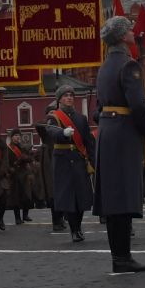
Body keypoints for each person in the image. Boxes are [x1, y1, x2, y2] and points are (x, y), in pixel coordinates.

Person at [94, 16, 145, 274]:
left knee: (113, 197)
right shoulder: (128, 65)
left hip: (108, 131)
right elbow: (138, 105)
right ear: (121, 37)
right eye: (129, 29)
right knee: (123, 195)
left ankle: (119, 256)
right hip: (123, 133)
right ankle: (123, 258)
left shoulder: (105, 66)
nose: (133, 31)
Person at [43, 88, 95, 243]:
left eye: (71, 95)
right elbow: (50, 131)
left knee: (81, 196)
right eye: (66, 96)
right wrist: (62, 133)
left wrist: (93, 160)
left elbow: (88, 142)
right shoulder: (54, 117)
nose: (69, 98)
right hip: (63, 161)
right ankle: (74, 230)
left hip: (79, 159)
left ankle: (78, 226)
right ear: (59, 99)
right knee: (69, 197)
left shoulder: (81, 118)